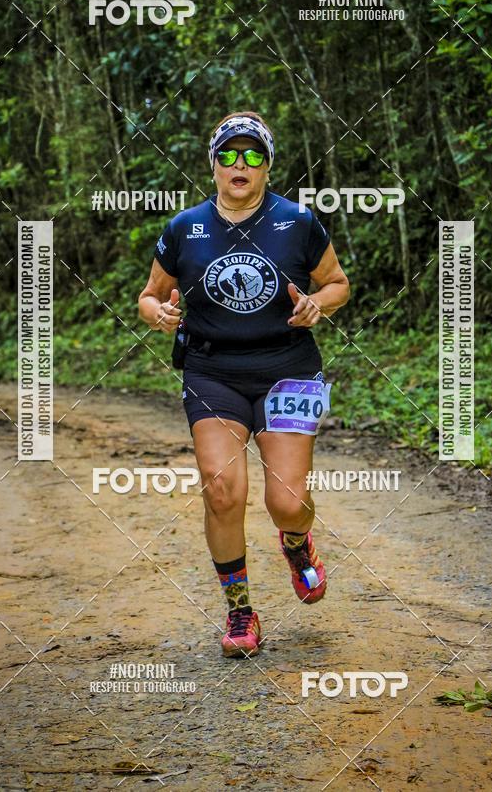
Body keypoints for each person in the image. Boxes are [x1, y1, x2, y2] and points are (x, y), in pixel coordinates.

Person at [138, 111, 350, 658]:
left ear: (267, 166)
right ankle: (240, 611)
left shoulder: (297, 221)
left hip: (290, 369)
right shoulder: (185, 228)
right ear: (213, 164)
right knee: (221, 488)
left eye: (253, 154)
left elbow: (337, 284)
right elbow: (150, 294)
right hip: (213, 372)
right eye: (228, 154)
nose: (241, 164)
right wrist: (157, 313)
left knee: (288, 501)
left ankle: (298, 544)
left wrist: (316, 304)